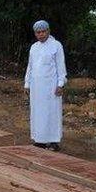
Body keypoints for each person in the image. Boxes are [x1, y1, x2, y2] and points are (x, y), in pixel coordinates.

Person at [24, 20, 67, 152]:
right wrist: (27, 83)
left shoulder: (56, 45)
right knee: (38, 113)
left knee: (52, 113)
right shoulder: (34, 47)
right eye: (38, 32)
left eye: (43, 31)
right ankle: (40, 140)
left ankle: (54, 142)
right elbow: (30, 67)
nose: (41, 34)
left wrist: (61, 84)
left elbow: (61, 66)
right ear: (35, 33)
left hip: (51, 87)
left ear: (48, 31)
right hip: (36, 88)